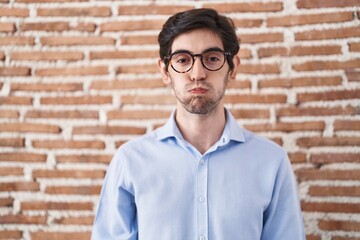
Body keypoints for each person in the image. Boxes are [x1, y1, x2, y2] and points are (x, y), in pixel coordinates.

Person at [92, 8, 305, 240]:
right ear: (165, 71)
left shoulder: (271, 162)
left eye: (212, 58)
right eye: (182, 60)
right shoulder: (130, 161)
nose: (197, 73)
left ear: (232, 67)